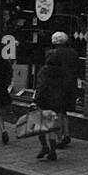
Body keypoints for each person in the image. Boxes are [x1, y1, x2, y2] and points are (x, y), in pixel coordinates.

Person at [34, 32, 78, 161]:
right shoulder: (73, 53)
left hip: (49, 96)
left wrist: (35, 100)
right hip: (68, 87)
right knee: (62, 112)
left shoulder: (46, 71)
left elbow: (41, 86)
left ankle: (51, 144)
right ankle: (65, 135)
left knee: (44, 122)